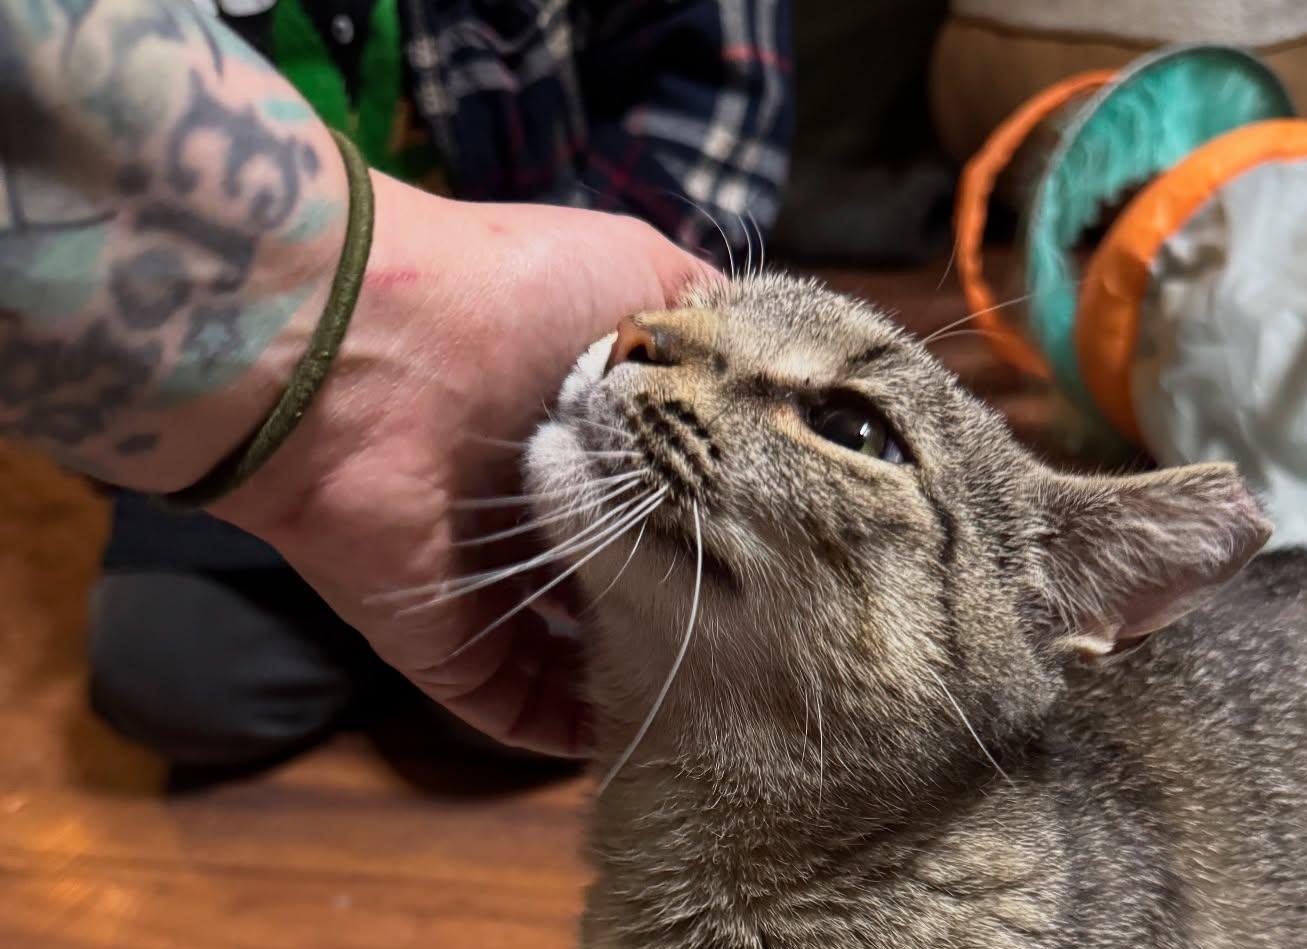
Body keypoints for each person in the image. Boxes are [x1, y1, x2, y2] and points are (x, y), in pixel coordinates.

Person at [1, 0, 792, 765]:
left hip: (565, 393)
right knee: (170, 676)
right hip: (219, 415)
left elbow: (713, 98)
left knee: (547, 686)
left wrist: (614, 329)